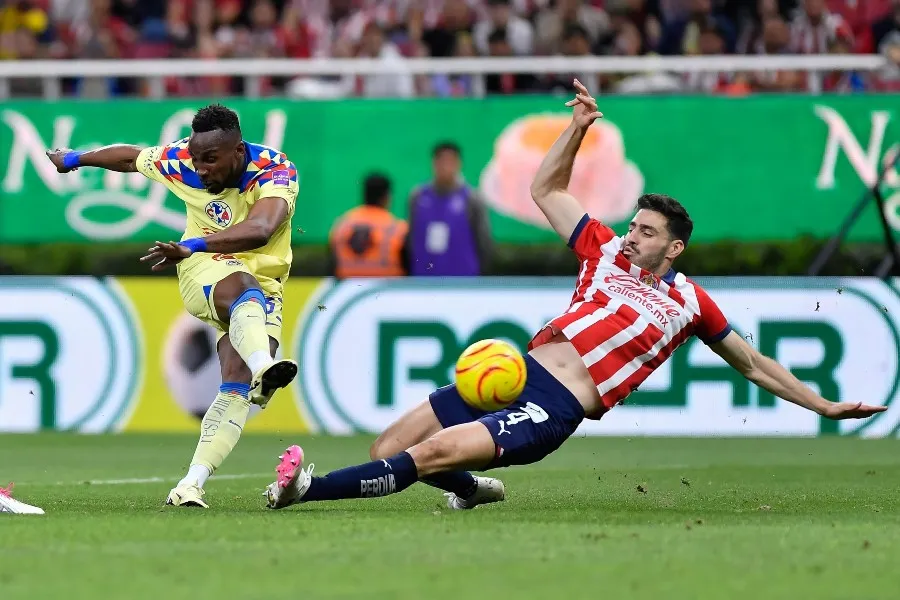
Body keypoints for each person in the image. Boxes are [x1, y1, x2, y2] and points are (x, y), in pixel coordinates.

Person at [262, 81, 885, 512]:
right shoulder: (604, 250)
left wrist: (821, 405)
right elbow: (544, 188)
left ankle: (305, 491)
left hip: (554, 408)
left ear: (674, 249)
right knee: (388, 447)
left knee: (431, 453)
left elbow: (753, 365)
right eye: (635, 225)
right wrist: (578, 127)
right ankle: (473, 491)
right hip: (516, 374)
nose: (633, 235)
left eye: (647, 232)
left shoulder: (691, 303)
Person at [45, 104, 300, 509]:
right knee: (242, 290)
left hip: (261, 278)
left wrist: (193, 242)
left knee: (234, 380)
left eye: (211, 160)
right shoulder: (182, 159)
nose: (200, 169)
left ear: (238, 151)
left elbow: (262, 229)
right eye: (196, 159)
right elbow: (130, 157)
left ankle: (190, 485)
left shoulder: (274, 171)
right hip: (202, 265)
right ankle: (264, 366)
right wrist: (73, 159)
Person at [407, 141, 492, 276]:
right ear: (434, 163)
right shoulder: (417, 197)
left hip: (462, 283)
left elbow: (484, 243)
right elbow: (410, 241)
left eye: (450, 161)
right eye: (441, 161)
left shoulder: (472, 199)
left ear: (458, 164)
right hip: (423, 282)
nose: (446, 167)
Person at [328, 173, 409, 279]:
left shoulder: (341, 226)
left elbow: (332, 265)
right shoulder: (398, 229)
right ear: (387, 196)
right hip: (387, 291)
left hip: (347, 291)